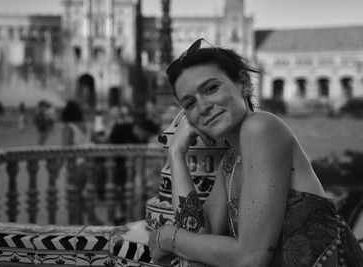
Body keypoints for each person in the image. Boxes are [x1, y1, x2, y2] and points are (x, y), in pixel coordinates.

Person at [148, 38, 363, 267]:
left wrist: (166, 238)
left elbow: (250, 259)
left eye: (211, 88)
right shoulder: (230, 162)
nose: (202, 107)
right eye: (189, 104)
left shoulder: (261, 127)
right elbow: (198, 232)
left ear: (244, 83)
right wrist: (176, 154)